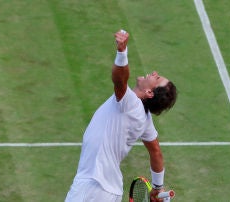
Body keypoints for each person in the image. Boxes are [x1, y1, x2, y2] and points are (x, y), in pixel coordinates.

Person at [65, 29, 177, 202]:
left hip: (94, 185)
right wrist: (157, 187)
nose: (154, 73)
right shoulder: (145, 120)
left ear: (149, 92)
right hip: (108, 191)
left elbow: (119, 80)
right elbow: (156, 152)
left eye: (157, 78)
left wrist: (122, 51)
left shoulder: (130, 103)